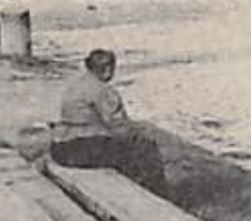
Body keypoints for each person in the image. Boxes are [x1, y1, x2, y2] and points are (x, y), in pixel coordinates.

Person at [48, 49, 169, 195]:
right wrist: (140, 134)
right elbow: (119, 127)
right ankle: (157, 195)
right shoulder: (104, 91)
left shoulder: (76, 84)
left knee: (119, 149)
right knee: (145, 148)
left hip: (60, 148)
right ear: (108, 69)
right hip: (79, 149)